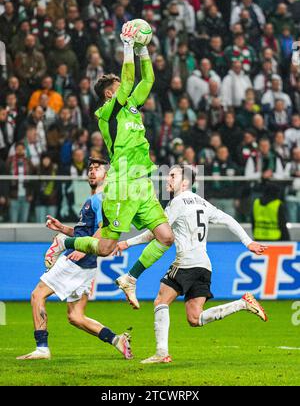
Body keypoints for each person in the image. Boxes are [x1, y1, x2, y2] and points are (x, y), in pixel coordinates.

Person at [44, 22, 174, 300]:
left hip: (142, 182)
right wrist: (127, 47)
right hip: (122, 181)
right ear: (110, 93)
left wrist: (142, 51)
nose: (124, 90)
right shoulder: (107, 112)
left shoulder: (131, 106)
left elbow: (147, 81)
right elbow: (128, 82)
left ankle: (129, 278)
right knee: (105, 247)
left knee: (166, 237)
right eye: (118, 88)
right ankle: (62, 240)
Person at [112, 165, 268, 363]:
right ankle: (242, 303)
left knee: (161, 301)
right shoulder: (202, 202)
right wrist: (248, 242)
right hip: (204, 265)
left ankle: (161, 352)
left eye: (173, 175)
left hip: (186, 262)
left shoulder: (177, 202)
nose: (167, 179)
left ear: (184, 182)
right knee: (195, 318)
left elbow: (156, 233)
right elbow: (228, 219)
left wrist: (128, 242)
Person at [17, 158, 132, 361]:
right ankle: (116, 339)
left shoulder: (99, 199)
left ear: (107, 175)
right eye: (90, 169)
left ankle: (42, 349)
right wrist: (63, 228)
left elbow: (102, 231)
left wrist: (85, 249)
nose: (92, 171)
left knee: (37, 295)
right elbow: (84, 233)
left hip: (78, 260)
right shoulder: (96, 199)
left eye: (97, 169)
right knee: (76, 316)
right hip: (87, 266)